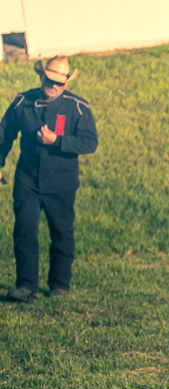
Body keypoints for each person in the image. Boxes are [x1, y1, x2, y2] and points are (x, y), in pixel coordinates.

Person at [0, 56, 98, 301]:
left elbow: (89, 142)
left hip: (62, 183)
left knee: (62, 233)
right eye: (50, 80)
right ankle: (26, 286)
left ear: (66, 84)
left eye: (59, 83)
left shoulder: (78, 107)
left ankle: (59, 285)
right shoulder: (22, 102)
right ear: (41, 76)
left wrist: (58, 141)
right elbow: (4, 134)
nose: (53, 86)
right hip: (27, 180)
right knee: (24, 231)